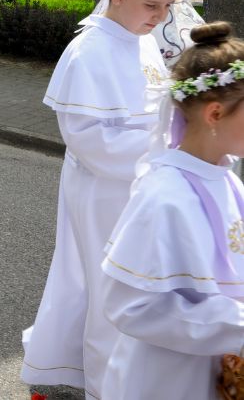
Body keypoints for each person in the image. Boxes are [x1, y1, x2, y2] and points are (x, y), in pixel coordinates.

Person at [21, 0, 187, 397]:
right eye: (152, 6)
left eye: (168, 7)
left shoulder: (141, 37)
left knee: (141, 292)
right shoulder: (89, 49)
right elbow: (91, 141)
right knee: (110, 293)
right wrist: (170, 146)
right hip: (106, 192)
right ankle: (104, 386)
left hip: (142, 189)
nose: (161, 17)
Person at [99, 21, 244, 399]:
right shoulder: (165, 196)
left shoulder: (228, 180)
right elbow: (131, 305)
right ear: (214, 114)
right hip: (167, 379)